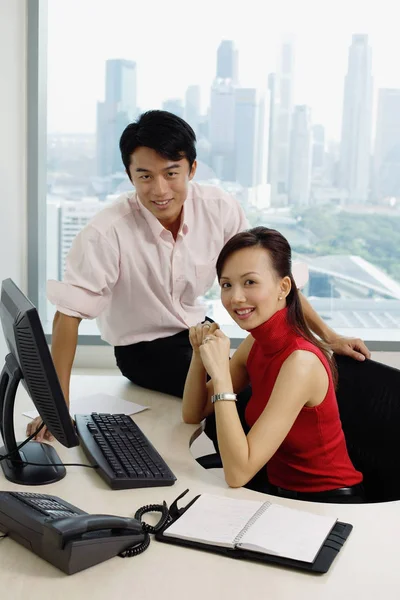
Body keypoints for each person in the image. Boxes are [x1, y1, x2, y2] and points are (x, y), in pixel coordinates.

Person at [27, 110, 369, 443]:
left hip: (201, 333)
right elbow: (68, 316)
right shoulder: (106, 232)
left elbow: (274, 281)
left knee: (293, 372)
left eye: (171, 173)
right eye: (145, 176)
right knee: (246, 396)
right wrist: (58, 405)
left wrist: (329, 337)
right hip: (144, 351)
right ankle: (253, 476)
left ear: (192, 169)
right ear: (130, 176)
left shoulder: (218, 208)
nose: (160, 189)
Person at [182, 227, 365, 503]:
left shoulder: (301, 362)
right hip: (279, 495)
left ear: (284, 288)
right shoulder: (255, 342)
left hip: (328, 503)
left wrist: (220, 373)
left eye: (250, 282)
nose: (236, 298)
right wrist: (199, 353)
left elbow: (237, 474)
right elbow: (193, 413)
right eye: (226, 285)